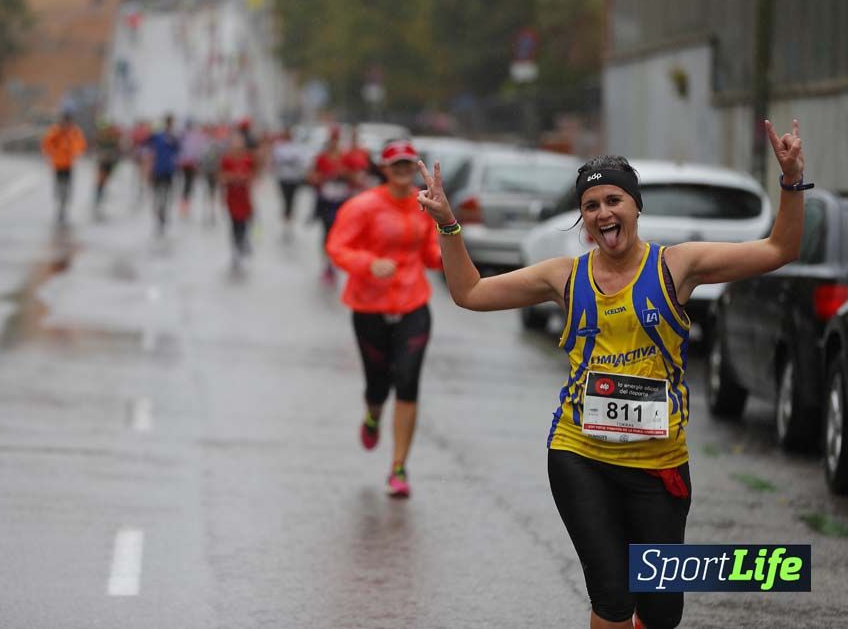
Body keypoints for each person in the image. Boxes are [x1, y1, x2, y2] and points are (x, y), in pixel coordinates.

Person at [415, 120, 807, 629]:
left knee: (662, 612)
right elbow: (470, 293)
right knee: (613, 596)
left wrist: (792, 181)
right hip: (581, 455)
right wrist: (448, 224)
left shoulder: (676, 267)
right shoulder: (564, 276)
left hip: (658, 463)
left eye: (614, 200)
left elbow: (780, 249)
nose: (603, 212)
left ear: (636, 206)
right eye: (591, 205)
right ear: (583, 219)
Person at [326, 140, 443, 498]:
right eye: (396, 165)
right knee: (378, 385)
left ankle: (398, 468)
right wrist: (368, 263)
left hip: (413, 304)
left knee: (407, 381)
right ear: (384, 168)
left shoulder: (422, 204)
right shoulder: (363, 206)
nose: (404, 170)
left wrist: (451, 248)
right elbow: (337, 246)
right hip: (369, 307)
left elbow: (430, 255)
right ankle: (373, 414)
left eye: (409, 164)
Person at [308, 127, 348, 284]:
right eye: (332, 140)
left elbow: (355, 176)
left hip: (341, 200)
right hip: (325, 200)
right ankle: (327, 264)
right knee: (326, 232)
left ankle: (334, 262)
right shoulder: (321, 158)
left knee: (337, 233)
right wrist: (323, 177)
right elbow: (311, 176)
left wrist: (343, 174)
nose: (334, 143)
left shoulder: (344, 158)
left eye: (336, 140)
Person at [40, 111, 87, 226]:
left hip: (69, 163)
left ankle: (64, 203)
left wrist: (75, 152)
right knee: (59, 184)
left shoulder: (74, 132)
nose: (66, 124)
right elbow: (46, 143)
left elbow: (80, 144)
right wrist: (52, 152)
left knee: (67, 185)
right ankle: (60, 202)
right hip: (57, 163)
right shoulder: (55, 131)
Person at [219, 132, 257, 270]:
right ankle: (236, 249)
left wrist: (245, 178)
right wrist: (233, 177)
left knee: (244, 223)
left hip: (244, 197)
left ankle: (243, 243)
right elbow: (221, 177)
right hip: (232, 197)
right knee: (234, 224)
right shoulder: (226, 159)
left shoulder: (248, 158)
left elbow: (254, 175)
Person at [145, 113, 181, 235]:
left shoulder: (174, 137)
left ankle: (163, 216)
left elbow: (178, 150)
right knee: (157, 194)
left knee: (166, 195)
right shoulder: (158, 136)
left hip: (169, 170)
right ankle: (158, 213)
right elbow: (146, 144)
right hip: (158, 169)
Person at [93, 120, 122, 219]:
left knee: (103, 181)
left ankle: (99, 197)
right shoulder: (102, 137)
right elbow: (97, 147)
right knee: (101, 181)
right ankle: (98, 198)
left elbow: (118, 149)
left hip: (109, 162)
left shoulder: (113, 137)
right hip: (104, 162)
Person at [178, 120, 208, 216]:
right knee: (188, 184)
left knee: (187, 184)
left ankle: (185, 204)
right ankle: (185, 204)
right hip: (189, 164)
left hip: (188, 164)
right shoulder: (192, 136)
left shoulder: (185, 136)